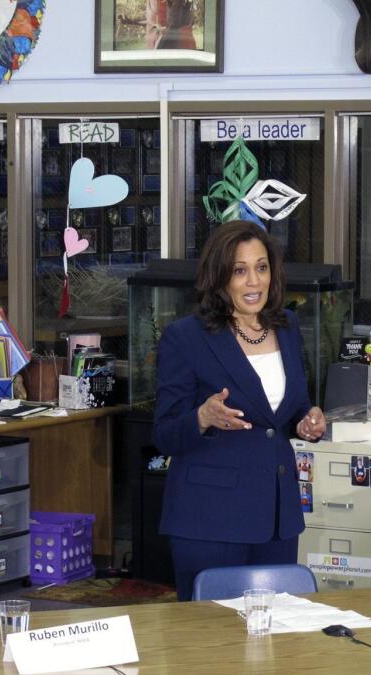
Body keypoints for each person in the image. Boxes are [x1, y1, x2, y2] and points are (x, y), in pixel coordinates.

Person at [154, 220, 326, 600]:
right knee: (212, 644)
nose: (254, 282)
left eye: (261, 268)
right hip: (210, 521)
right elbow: (164, 433)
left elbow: (290, 408)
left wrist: (308, 420)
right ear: (219, 278)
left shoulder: (287, 326)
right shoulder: (186, 338)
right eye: (240, 270)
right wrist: (202, 417)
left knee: (278, 640)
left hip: (277, 518)